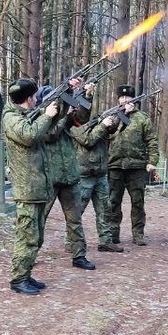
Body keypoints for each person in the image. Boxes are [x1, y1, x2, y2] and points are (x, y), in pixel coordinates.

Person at [2, 77, 59, 295]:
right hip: (27, 189)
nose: (37, 100)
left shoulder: (25, 115)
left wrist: (54, 112)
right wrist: (47, 116)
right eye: (34, 97)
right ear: (28, 99)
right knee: (26, 236)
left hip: (36, 187)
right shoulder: (11, 118)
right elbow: (29, 135)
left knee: (36, 236)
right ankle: (18, 279)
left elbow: (46, 132)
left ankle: (26, 273)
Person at [40, 79, 96, 270]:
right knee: (39, 218)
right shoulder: (41, 119)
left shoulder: (65, 116)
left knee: (75, 219)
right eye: (53, 101)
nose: (56, 104)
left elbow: (83, 118)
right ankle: (30, 254)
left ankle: (79, 255)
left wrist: (87, 95)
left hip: (69, 176)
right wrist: (62, 115)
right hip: (49, 177)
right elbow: (50, 134)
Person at [107, 84, 159, 246]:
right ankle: (113, 232)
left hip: (136, 167)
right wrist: (121, 117)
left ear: (133, 99)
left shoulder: (142, 118)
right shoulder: (112, 116)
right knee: (113, 201)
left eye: (128, 97)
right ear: (118, 99)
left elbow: (152, 141)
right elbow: (105, 133)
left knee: (138, 201)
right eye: (122, 98)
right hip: (115, 165)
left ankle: (138, 233)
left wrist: (152, 162)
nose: (125, 100)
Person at [70, 114, 124, 252]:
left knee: (105, 209)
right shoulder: (75, 126)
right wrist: (102, 125)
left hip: (100, 174)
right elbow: (88, 140)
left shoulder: (98, 123)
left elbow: (111, 132)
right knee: (77, 210)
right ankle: (71, 241)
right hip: (84, 175)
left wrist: (116, 119)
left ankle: (105, 241)